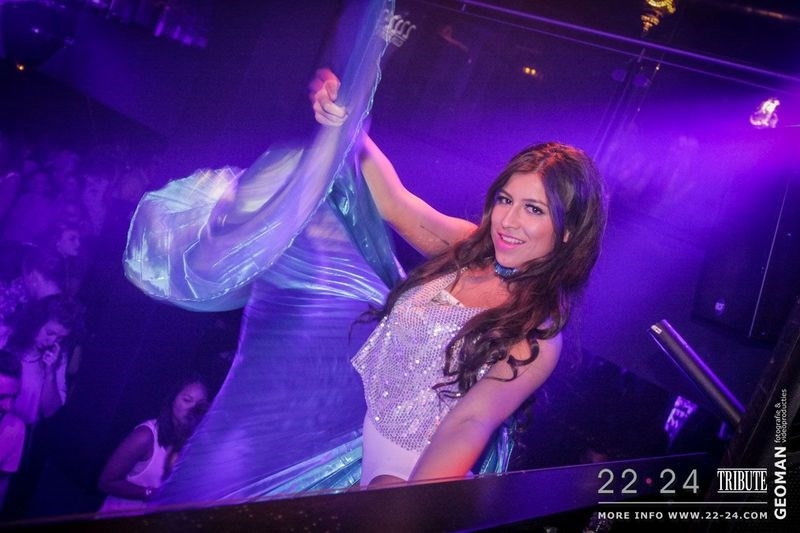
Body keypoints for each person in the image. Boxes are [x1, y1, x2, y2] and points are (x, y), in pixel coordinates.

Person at [310, 68, 607, 485]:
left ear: (568, 232)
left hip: (411, 474)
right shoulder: (470, 246)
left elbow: (470, 422)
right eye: (505, 200)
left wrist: (406, 503)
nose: (508, 221)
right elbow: (394, 203)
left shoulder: (537, 334)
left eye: (534, 210)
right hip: (359, 439)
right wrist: (347, 118)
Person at [96, 376, 210, 515]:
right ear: (173, 399)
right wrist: (153, 494)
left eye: (200, 405)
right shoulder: (145, 436)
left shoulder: (197, 443)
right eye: (187, 400)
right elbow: (106, 482)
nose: (193, 408)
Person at [0, 350, 26, 511]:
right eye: (1, 397)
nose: (8, 406)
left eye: (14, 397)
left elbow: (2, 482)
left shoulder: (16, 429)